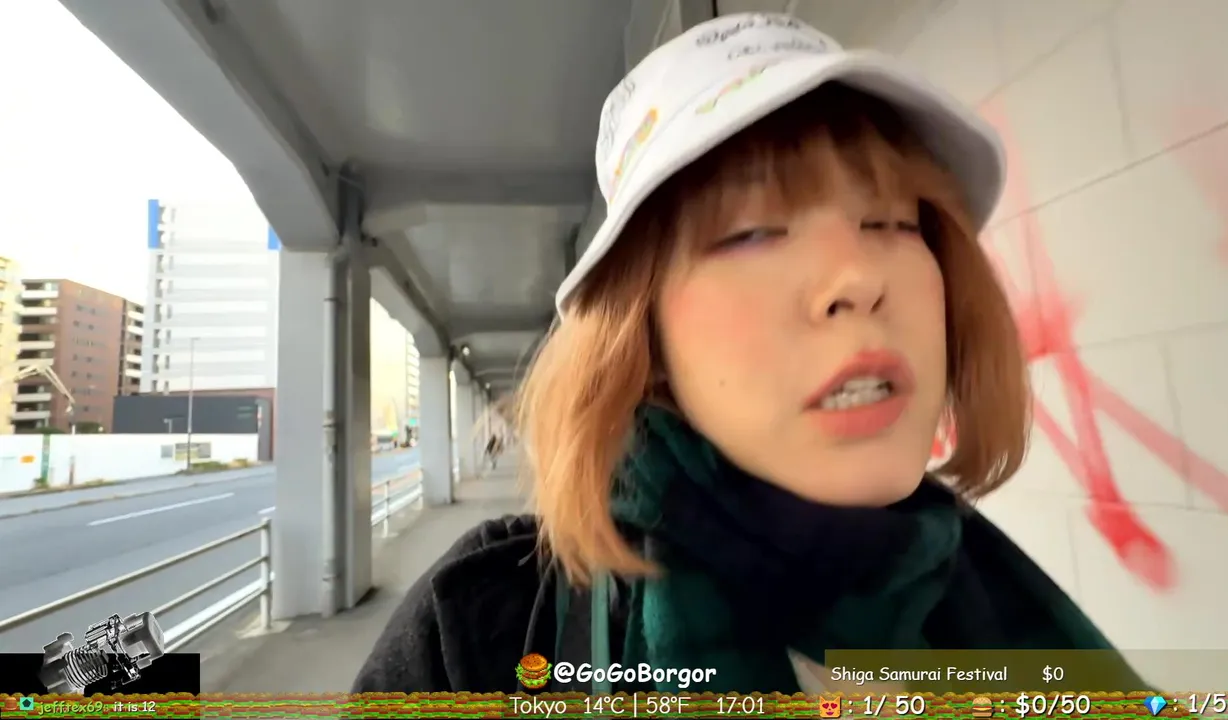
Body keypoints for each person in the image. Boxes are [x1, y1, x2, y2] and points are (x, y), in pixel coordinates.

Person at [353, 12, 1144, 695]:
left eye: (892, 223)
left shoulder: (1000, 608)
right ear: (642, 338)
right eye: (753, 232)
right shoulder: (477, 639)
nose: (858, 279)